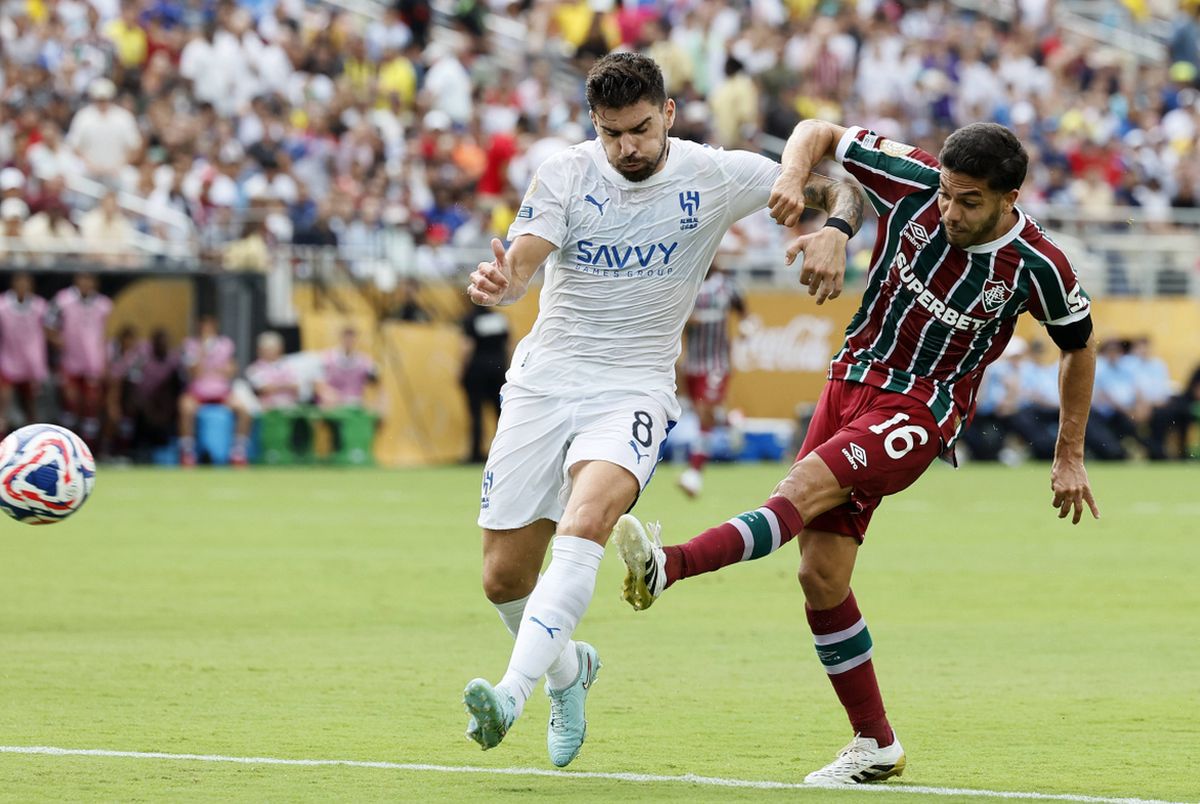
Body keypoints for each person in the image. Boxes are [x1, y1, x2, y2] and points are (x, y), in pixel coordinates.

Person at [612, 120, 1100, 784]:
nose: (951, 212)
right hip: (850, 379)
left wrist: (1068, 452)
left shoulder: (1040, 264)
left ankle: (668, 567)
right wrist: (795, 184)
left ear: (1010, 197)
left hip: (920, 410)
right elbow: (819, 132)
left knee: (800, 488)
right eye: (949, 196)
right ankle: (877, 745)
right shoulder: (914, 179)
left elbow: (1079, 345)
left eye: (971, 202)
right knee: (821, 576)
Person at [459, 53, 865, 768]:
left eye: (642, 129)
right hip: (545, 382)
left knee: (587, 523)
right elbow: (522, 260)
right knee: (503, 579)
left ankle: (513, 694)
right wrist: (502, 281)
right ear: (595, 125)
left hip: (633, 387)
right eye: (613, 134)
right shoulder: (566, 173)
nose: (628, 148)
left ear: (669, 114)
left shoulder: (715, 173)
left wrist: (836, 226)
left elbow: (844, 185)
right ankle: (569, 671)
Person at [677, 262, 745, 496]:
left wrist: (746, 327)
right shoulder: (688, 286)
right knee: (701, 414)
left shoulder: (725, 287)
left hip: (717, 363)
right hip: (694, 362)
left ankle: (694, 473)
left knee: (705, 413)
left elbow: (742, 308)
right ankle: (729, 421)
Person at [47, 272, 113, 449]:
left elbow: (106, 335)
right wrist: (59, 341)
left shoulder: (103, 305)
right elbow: (48, 325)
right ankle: (65, 446)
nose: (86, 283)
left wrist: (106, 361)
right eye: (83, 279)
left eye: (90, 279)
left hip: (93, 363)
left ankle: (89, 447)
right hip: (70, 362)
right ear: (76, 281)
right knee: (71, 403)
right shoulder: (63, 300)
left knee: (91, 405)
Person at [178, 314, 251, 466]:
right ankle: (187, 452)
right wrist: (202, 352)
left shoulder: (225, 344)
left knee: (244, 410)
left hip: (221, 391)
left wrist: (214, 369)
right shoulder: (190, 344)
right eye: (203, 326)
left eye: (209, 326)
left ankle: (238, 452)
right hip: (198, 392)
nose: (206, 329)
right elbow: (193, 372)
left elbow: (231, 370)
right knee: (185, 408)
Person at [0, 272, 50, 436]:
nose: (23, 287)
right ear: (13, 285)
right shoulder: (3, 305)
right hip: (8, 362)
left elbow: (49, 331)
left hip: (31, 365)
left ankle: (33, 445)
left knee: (31, 407)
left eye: (26, 283)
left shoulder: (40, 306)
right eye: (20, 283)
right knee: (3, 405)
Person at [459, 302, 509, 464]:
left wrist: (462, 369)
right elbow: (509, 344)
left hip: (477, 370)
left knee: (476, 413)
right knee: (501, 414)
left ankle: (476, 453)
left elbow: (467, 346)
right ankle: (505, 451)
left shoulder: (470, 319)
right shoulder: (499, 318)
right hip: (498, 369)